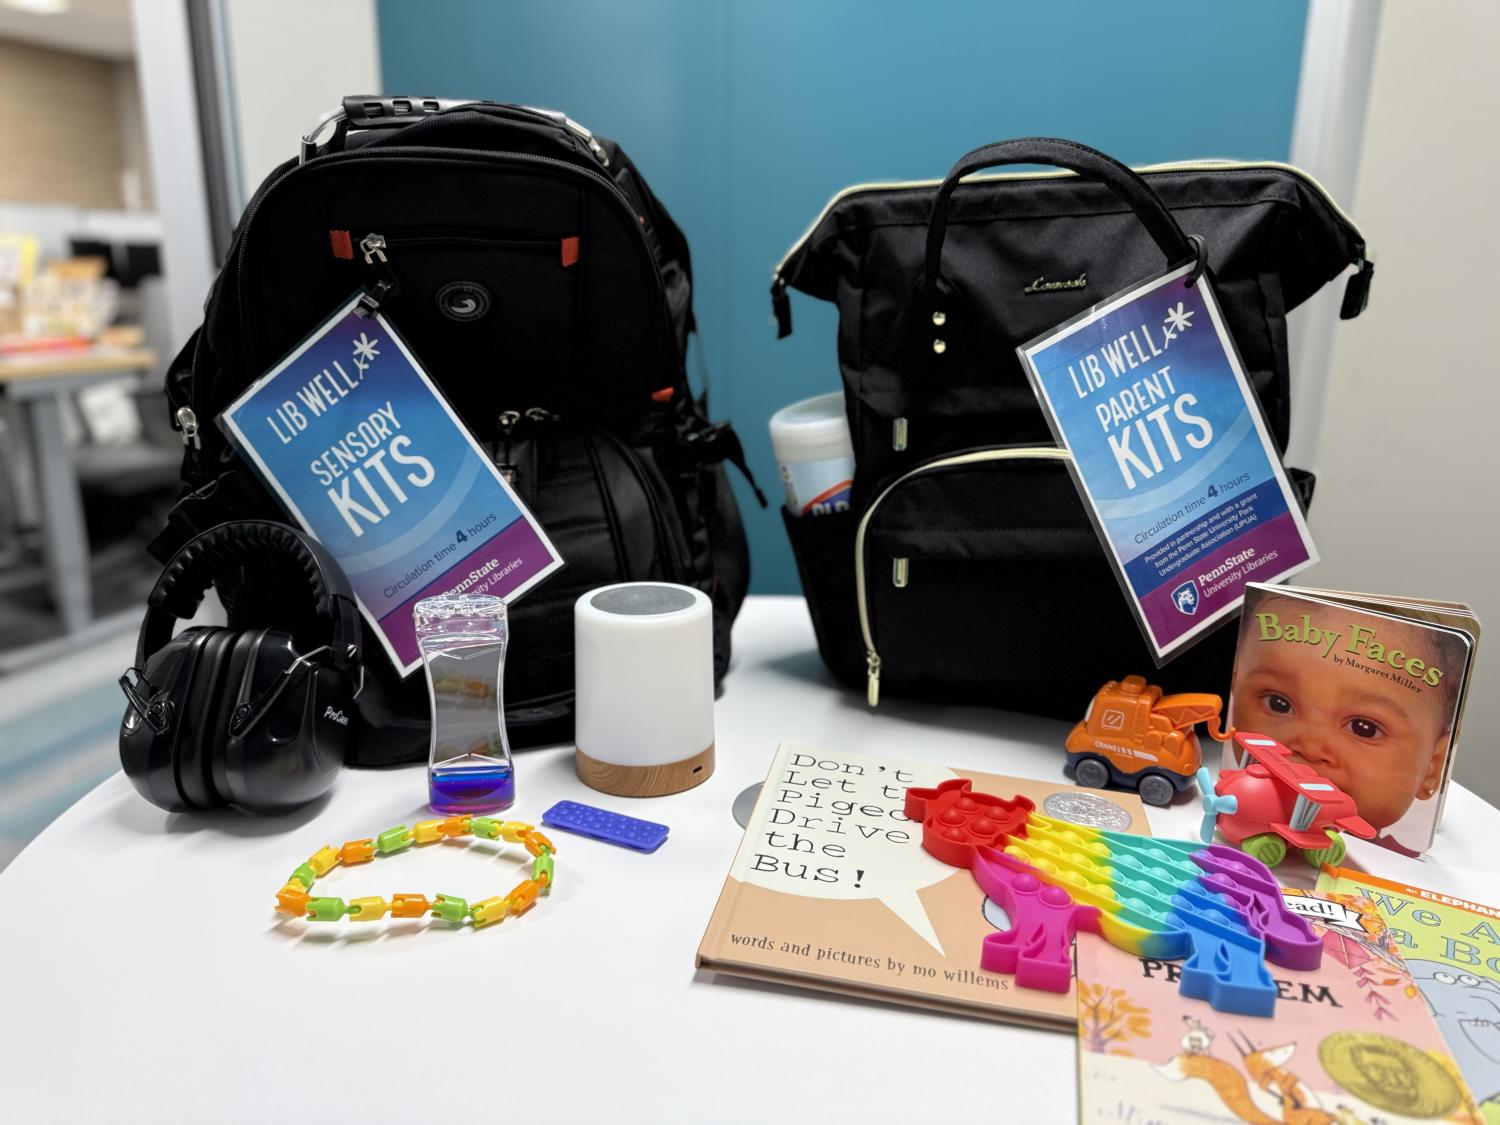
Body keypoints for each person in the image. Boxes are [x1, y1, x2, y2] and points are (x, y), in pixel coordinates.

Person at [1228, 593, 1467, 855]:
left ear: (1433, 766)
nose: (1310, 746)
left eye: (1364, 728)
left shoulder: (1409, 878)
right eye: (1278, 703)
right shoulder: (1225, 817)